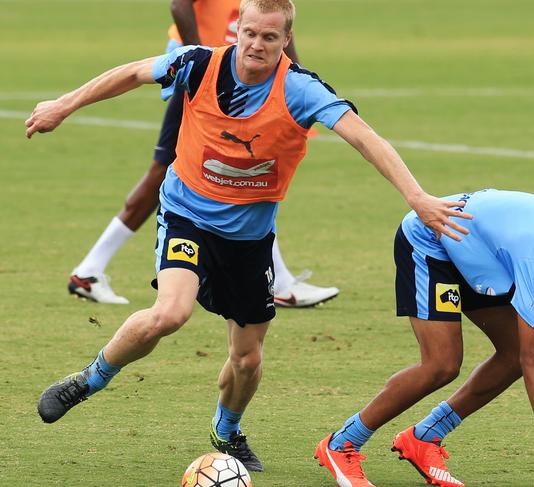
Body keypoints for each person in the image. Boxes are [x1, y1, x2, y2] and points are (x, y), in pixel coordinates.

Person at [27, 0, 472, 473]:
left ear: (286, 42)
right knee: (170, 313)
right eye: (251, 34)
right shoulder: (198, 64)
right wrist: (64, 104)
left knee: (247, 359)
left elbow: (367, 139)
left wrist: (417, 197)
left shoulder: (300, 89)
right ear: (238, 31)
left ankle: (226, 428)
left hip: (248, 240)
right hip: (187, 217)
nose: (257, 45)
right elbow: (133, 72)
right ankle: (89, 380)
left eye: (270, 38)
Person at [314, 189, 534, 487]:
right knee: (442, 363)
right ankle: (342, 443)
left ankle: (425, 437)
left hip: (479, 255)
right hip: (432, 239)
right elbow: (533, 355)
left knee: (512, 357)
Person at [68, 0, 339, 308]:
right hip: (208, 80)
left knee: (239, 171)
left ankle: (90, 269)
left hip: (242, 80)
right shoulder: (204, 67)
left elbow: (279, 29)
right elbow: (179, 5)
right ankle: (90, 269)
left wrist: (295, 80)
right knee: (177, 172)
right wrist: (207, 68)